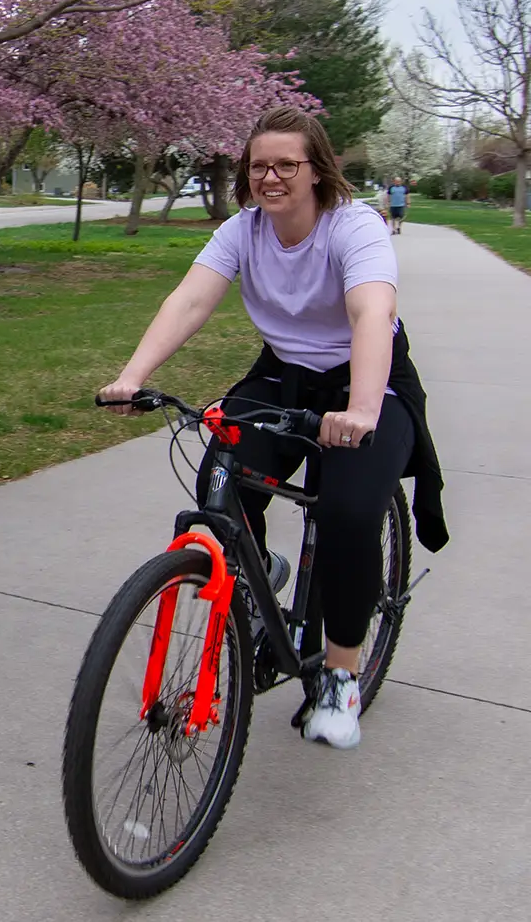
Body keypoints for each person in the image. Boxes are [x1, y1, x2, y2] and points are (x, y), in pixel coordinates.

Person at [98, 106, 446, 751]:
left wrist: (363, 409)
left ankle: (341, 673)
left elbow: (373, 311)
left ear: (317, 171)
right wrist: (133, 375)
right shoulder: (242, 231)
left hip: (370, 381)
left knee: (345, 513)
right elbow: (191, 299)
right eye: (260, 166)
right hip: (282, 375)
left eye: (288, 164)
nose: (272, 177)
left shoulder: (355, 227)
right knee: (219, 483)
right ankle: (256, 585)